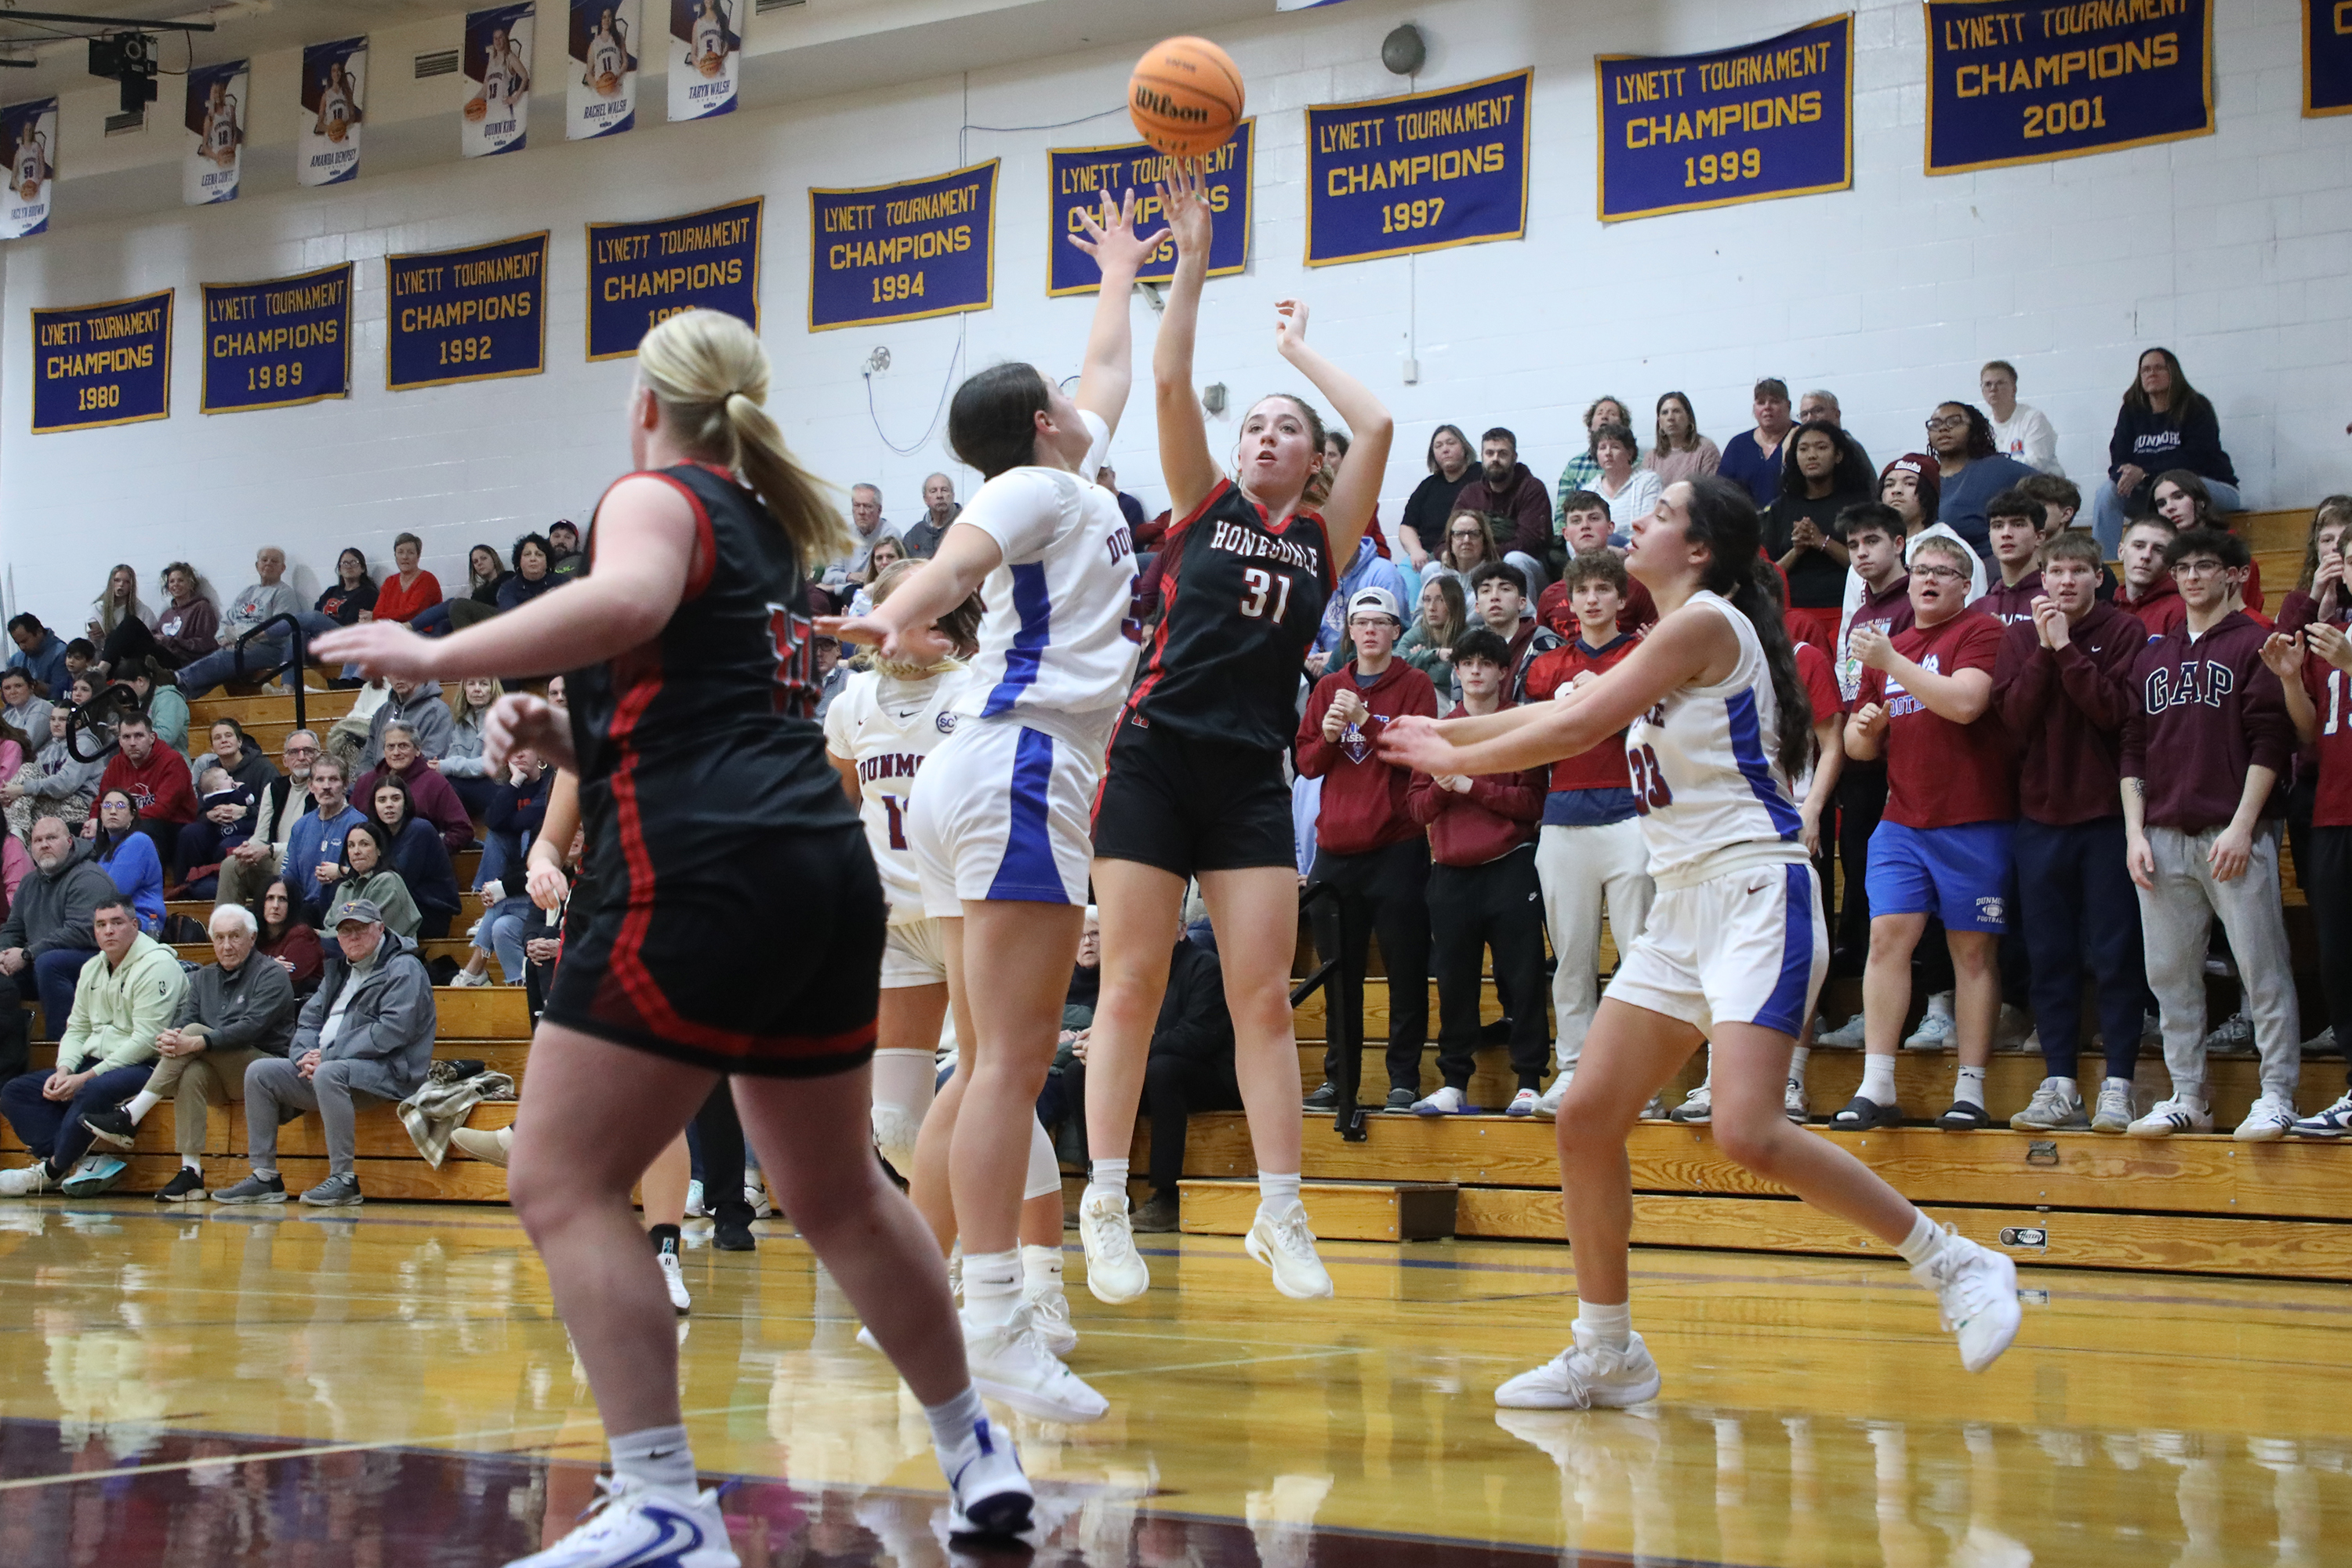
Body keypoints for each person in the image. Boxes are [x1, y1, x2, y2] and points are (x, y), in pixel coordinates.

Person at [319, 303, 1036, 1554]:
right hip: (820, 867)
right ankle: (978, 1452)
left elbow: (628, 600)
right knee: (836, 1193)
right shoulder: (765, 525)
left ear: (646, 403)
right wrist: (573, 736)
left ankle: (659, 1502)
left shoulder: (656, 499)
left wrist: (435, 656)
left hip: (706, 870)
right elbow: (698, 701)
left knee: (558, 1179)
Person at [1381, 475, 2023, 1406]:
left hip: (1757, 890)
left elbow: (1576, 724)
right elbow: (1546, 713)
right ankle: (1607, 1350)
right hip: (1683, 904)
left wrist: (1457, 754)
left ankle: (1954, 1260)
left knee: (1745, 1129)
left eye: (1663, 512)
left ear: (1698, 550)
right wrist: (1445, 728)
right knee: (1586, 1115)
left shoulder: (1707, 622)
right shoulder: (1661, 639)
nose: (1639, 519)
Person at [815, 190, 1152, 1428]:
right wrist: (908, 607)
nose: (1085, 393)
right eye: (1066, 394)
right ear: (1040, 422)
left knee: (974, 1067)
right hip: (1020, 764)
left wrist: (1121, 266)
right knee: (1011, 1061)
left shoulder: (1078, 472)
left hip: (978, 762)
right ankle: (998, 1325)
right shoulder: (1037, 493)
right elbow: (959, 555)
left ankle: (926, 1296)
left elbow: (1109, 357)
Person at [1071, 164, 1385, 1313]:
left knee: (1262, 997)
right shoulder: (1199, 502)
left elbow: (1382, 420)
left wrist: (1300, 353)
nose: (1264, 435)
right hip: (1156, 757)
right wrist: (1192, 260)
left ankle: (1281, 1211)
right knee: (1134, 989)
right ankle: (1104, 1200)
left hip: (1250, 773)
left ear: (1312, 460)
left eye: (1285, 429)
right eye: (1253, 423)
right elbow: (1166, 372)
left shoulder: (1325, 540)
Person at [2120, 527, 2301, 1139]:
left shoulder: (2254, 644)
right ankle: (2188, 1095)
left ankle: (2277, 1093)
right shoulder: (2153, 654)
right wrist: (2134, 833)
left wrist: (2244, 827)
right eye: (2185, 567)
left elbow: (2272, 741)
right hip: (2162, 834)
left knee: (2261, 966)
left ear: (2233, 574)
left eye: (2206, 566)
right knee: (2169, 973)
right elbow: (2133, 752)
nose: (2193, 576)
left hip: (2233, 831)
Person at [1839, 535, 2015, 1131]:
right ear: (1909, 581)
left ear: (1967, 586)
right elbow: (1857, 748)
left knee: (1972, 952)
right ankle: (1877, 1084)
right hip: (1901, 820)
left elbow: (1966, 704)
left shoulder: (1981, 630)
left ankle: (1971, 1089)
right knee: (1886, 938)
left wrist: (1893, 664)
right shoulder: (1891, 649)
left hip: (1974, 819)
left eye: (1946, 571)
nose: (1930, 579)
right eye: (1922, 571)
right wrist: (1866, 726)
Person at [1994, 531, 2150, 1134]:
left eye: (2077, 572)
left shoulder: (2124, 632)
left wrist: (2065, 650)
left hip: (2109, 819)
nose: (2063, 582)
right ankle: (2060, 1082)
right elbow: (2015, 718)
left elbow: (2113, 712)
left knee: (2114, 955)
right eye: (2054, 571)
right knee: (2048, 956)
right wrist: (2043, 648)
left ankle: (2118, 1084)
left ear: (2097, 578)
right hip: (2039, 819)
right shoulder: (2017, 638)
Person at [1521, 551, 1654, 1118]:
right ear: (1568, 603)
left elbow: (1656, 720)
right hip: (1564, 820)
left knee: (1640, 954)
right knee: (1572, 956)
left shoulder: (1646, 656)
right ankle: (1572, 1069)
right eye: (1584, 590)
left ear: (1622, 598)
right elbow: (1535, 737)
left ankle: (1640, 1081)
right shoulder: (1547, 667)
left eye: (1605, 588)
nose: (1595, 598)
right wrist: (1565, 706)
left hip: (1634, 817)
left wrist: (1594, 700)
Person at [1297, 588, 1439, 1113]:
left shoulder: (1417, 684)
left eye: (1381, 622)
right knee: (1339, 977)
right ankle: (1341, 1081)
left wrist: (1365, 721)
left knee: (1405, 972)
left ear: (1397, 631)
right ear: (1350, 631)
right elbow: (1308, 761)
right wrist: (1335, 734)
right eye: (1362, 622)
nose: (1371, 630)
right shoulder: (1329, 686)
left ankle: (1403, 1079)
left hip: (1396, 848)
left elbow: (1417, 752)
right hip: (1334, 851)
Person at [212, 895, 436, 1209]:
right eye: (345, 931)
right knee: (260, 1072)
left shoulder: (404, 968)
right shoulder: (340, 971)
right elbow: (308, 1019)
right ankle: (265, 1177)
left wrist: (329, 1055)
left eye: (361, 928)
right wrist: (303, 1055)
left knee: (330, 1072)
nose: (353, 937)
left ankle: (344, 1179)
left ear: (381, 929)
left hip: (391, 1073)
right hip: (331, 1069)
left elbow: (392, 1031)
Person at [1406, 626, 1547, 1115]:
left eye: (1487, 663)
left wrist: (1469, 785)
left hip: (1510, 866)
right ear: (1457, 670)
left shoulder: (1521, 725)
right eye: (1468, 664)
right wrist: (1447, 787)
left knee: (1524, 976)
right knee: (1454, 980)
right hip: (1449, 874)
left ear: (1504, 671)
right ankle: (1453, 1083)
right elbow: (1418, 810)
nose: (1476, 672)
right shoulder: (1437, 731)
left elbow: (1531, 803)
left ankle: (1529, 1080)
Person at [78, 902, 299, 1202]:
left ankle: (131, 1114)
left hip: (267, 1071)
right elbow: (184, 1022)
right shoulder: (203, 977)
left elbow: (251, 1028)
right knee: (191, 1071)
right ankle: (191, 1172)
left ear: (253, 937)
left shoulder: (272, 974)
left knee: (194, 1035)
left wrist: (192, 1041)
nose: (227, 945)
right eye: (219, 938)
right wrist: (170, 1039)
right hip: (222, 1075)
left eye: (235, 936)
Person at [0, 895, 183, 1196]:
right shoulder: (92, 969)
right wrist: (64, 1069)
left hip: (148, 1064)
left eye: (117, 922)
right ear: (94, 931)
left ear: (135, 925)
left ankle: (51, 1170)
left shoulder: (159, 965)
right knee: (15, 1092)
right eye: (101, 924)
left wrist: (84, 1077)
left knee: (90, 1089)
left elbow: (146, 1039)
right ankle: (84, 1161)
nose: (108, 930)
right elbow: (78, 1028)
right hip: (96, 1063)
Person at [2271, 621, 2352, 1134]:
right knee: (2340, 959)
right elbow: (2310, 734)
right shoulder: (2333, 634)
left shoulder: (2341, 647)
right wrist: (2289, 682)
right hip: (2332, 812)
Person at [2094, 347, 2241, 556]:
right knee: (2107, 492)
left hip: (2210, 489)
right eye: (2145, 370)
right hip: (2154, 494)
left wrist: (2144, 473)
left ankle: (2192, 555)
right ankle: (2104, 566)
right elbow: (2118, 459)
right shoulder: (2131, 411)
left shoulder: (2196, 406)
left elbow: (2195, 459)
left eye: (2158, 368)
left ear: (2173, 372)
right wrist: (2125, 476)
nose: (2151, 373)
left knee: (2179, 489)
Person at [0, 816, 117, 1041]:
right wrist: (3, 953)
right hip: (37, 961)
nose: (44, 844)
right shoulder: (29, 883)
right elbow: (13, 929)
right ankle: (10, 1059)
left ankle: (61, 1046)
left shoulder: (88, 877)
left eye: (51, 838)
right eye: (38, 840)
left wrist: (27, 954)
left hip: (93, 962)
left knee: (50, 963)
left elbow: (82, 931)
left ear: (70, 841)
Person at [1762, 419, 1872, 652]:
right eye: (1803, 449)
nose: (1811, 455)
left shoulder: (1859, 504)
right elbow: (1768, 574)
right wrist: (1798, 549)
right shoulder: (1781, 507)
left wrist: (1823, 542)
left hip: (1846, 610)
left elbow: (1868, 562)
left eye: (1821, 447)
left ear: (1838, 455)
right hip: (1794, 615)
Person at [171, 547, 305, 697]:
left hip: (268, 649)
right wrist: (224, 638)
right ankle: (178, 694)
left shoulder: (284, 593)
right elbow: (226, 621)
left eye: (274, 561)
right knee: (215, 668)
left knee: (222, 658)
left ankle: (176, 678)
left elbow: (280, 629)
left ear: (282, 568)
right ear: (257, 565)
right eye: (264, 560)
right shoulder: (247, 592)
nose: (268, 564)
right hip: (237, 646)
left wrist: (242, 637)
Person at [217, 730, 318, 909]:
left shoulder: (323, 789)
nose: (301, 757)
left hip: (307, 862)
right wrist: (249, 848)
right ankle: (226, 927)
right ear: (285, 760)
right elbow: (261, 835)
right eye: (294, 752)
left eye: (308, 751)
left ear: (318, 756)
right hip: (272, 855)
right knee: (232, 864)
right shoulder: (274, 788)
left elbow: (310, 844)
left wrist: (270, 849)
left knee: (284, 862)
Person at [1925, 402, 2037, 560]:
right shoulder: (1923, 478)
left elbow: (2053, 490)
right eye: (1935, 424)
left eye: (1954, 421)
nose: (1943, 428)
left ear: (1974, 429)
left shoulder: (1997, 468)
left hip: (1987, 568)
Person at [1454, 426, 1554, 596]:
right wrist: (1445, 553)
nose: (1495, 459)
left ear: (1514, 457)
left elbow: (1531, 541)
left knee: (1515, 559)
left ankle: (1525, 620)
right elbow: (1449, 534)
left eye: (1502, 454)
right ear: (1482, 456)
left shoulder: (1531, 488)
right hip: (1476, 563)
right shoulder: (1470, 493)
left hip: (1531, 568)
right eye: (1490, 453)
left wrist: (1482, 553)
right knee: (1434, 568)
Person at [2151, 469, 2264, 615]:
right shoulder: (2157, 555)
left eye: (2179, 497)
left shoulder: (2231, 551)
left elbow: (2249, 611)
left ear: (2201, 501)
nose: (2170, 507)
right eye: (2161, 504)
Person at [366, 773, 460, 939]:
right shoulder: (379, 834)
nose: (389, 805)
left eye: (395, 799)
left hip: (430, 912)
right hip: (401, 907)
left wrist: (344, 871)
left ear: (406, 802)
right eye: (382, 800)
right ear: (374, 806)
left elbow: (398, 880)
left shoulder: (420, 829)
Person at [92, 713, 195, 863]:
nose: (132, 743)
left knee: (146, 828)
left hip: (171, 827)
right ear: (120, 740)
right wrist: (94, 819)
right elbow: (102, 799)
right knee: (88, 830)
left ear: (152, 738)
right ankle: (100, 880)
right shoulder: (116, 763)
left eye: (139, 736)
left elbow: (163, 809)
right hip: (130, 822)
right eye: (127, 737)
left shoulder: (172, 761)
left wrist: (123, 820)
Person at [355, 720, 472, 852]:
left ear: (418, 750)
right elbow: (351, 825)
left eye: (403, 746)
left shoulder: (434, 782)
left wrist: (431, 851)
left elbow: (463, 830)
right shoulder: (366, 782)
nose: (396, 752)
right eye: (390, 746)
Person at [281, 753, 368, 920]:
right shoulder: (301, 826)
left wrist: (341, 873)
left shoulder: (359, 824)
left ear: (345, 785)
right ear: (311, 786)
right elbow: (289, 878)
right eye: (320, 780)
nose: (326, 786)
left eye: (333, 779)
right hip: (305, 910)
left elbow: (369, 877)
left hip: (345, 910)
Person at [1467, 561, 1562, 703]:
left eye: (1505, 589)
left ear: (1522, 602)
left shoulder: (1547, 645)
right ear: (1477, 606)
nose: (1494, 597)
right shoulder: (1467, 647)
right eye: (1486, 591)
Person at [3, 705, 103, 840]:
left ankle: (16, 837)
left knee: (28, 771)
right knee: (24, 805)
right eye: (52, 719)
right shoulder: (51, 746)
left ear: (77, 724)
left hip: (79, 806)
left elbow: (65, 785)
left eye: (62, 720)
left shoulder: (84, 744)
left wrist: (22, 789)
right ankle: (19, 843)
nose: (56, 724)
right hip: (56, 802)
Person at [97, 561, 216, 674]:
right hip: (160, 653)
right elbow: (154, 636)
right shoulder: (168, 613)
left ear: (191, 584)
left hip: (180, 661)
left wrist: (170, 641)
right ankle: (102, 677)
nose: (176, 585)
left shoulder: (201, 607)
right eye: (172, 581)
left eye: (181, 580)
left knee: (130, 621)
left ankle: (101, 672)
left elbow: (205, 644)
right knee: (116, 636)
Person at [310, 818, 421, 938]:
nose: (356, 851)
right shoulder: (344, 888)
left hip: (388, 953)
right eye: (351, 846)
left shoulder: (387, 881)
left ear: (379, 850)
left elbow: (368, 931)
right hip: (346, 949)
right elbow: (330, 925)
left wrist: (321, 935)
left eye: (364, 844)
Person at [86, 788, 167, 935]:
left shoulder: (138, 842)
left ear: (132, 815)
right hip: (104, 920)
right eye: (107, 806)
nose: (113, 811)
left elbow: (114, 893)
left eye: (121, 806)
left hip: (139, 920)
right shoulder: (95, 846)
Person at [1399, 425, 1474, 574]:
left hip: (1469, 552)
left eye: (1451, 443)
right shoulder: (1427, 486)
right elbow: (1407, 526)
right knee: (1406, 567)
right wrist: (1416, 551)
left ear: (1464, 447)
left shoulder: (1480, 477)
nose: (1445, 449)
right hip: (1430, 556)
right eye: (1438, 446)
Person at [1717, 377, 1796, 506]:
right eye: (1761, 402)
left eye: (1774, 402)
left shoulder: (1802, 438)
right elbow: (1722, 490)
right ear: (1754, 408)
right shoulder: (1738, 445)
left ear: (1788, 406)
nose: (1767, 407)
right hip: (1748, 522)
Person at [1973, 490, 2048, 626]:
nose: (2006, 534)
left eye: (2018, 524)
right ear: (1990, 536)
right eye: (1998, 526)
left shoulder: (2054, 599)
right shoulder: (1978, 608)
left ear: (2039, 537)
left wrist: (2012, 639)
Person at [435, 676, 506, 818]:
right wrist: (439, 767)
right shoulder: (461, 721)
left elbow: (487, 765)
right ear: (464, 690)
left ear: (493, 690)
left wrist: (443, 766)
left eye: (484, 684)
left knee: (447, 785)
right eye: (471, 684)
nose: (477, 689)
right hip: (468, 785)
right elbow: (452, 756)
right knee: (439, 783)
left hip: (497, 786)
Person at [1980, 360, 2061, 475]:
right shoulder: (1984, 427)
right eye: (1988, 384)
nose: (1993, 388)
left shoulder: (2033, 418)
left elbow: (2036, 463)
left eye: (2000, 383)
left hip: (2041, 487)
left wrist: (1997, 468)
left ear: (2014, 389)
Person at [1553, 396, 1632, 509]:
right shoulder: (1575, 466)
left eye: (1612, 414)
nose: (1604, 417)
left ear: (1623, 425)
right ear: (1590, 425)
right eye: (1600, 413)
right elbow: (1562, 513)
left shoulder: (1635, 462)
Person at [363, 679, 457, 771]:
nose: (399, 677)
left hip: (416, 781)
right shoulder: (382, 712)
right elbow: (367, 758)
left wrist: (391, 783)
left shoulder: (438, 712)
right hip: (378, 782)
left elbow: (432, 760)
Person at [255, 877, 325, 994]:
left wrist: (261, 967)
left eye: (282, 899)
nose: (275, 906)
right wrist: (270, 966)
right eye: (270, 898)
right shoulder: (253, 934)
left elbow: (284, 981)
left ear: (291, 904)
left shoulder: (302, 935)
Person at [1589, 422, 1661, 534]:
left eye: (1615, 447)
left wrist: (1622, 551)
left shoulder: (1648, 482)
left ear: (1629, 453)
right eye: (1602, 448)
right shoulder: (1589, 491)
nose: (1608, 453)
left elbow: (1650, 528)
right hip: (1599, 551)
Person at [1399, 574, 1466, 681]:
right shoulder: (1416, 635)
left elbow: (1445, 676)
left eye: (1441, 600)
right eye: (1427, 600)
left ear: (1455, 603)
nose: (1431, 607)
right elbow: (1396, 664)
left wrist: (1416, 661)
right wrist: (1436, 654)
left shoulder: (1469, 637)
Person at [1646, 391, 1720, 488]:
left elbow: (1712, 492)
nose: (1670, 418)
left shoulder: (1705, 450)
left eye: (1676, 411)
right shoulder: (1652, 458)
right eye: (1665, 413)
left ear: (1689, 417)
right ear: (1659, 422)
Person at [829, 482, 897, 585]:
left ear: (879, 510)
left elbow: (886, 578)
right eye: (857, 505)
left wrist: (837, 588)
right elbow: (829, 575)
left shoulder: (890, 534)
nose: (861, 512)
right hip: (845, 592)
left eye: (867, 506)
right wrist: (850, 576)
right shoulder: (845, 535)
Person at [1426, 508, 1501, 600]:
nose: (1466, 540)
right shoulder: (1437, 578)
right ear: (1450, 542)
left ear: (1484, 541)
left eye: (1474, 534)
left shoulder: (1499, 579)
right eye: (1459, 534)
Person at [87, 564, 157, 659]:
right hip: (102, 654)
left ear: (132, 586)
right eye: (117, 580)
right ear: (111, 583)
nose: (121, 585)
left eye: (127, 582)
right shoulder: (97, 608)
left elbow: (148, 640)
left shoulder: (143, 611)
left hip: (131, 658)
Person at [373, 532, 445, 624]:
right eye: (400, 552)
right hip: (393, 631)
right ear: (395, 555)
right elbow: (377, 613)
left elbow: (412, 613)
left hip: (422, 633)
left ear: (418, 556)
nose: (405, 557)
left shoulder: (427, 579)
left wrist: (381, 617)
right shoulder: (389, 582)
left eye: (410, 553)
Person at [6, 612, 70, 698]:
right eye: (18, 643)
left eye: (24, 641)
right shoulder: (14, 660)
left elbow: (61, 693)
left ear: (39, 632)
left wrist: (36, 686)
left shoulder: (61, 653)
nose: (22, 647)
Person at [900, 473, 961, 559]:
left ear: (953, 495)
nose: (939, 496)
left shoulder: (966, 526)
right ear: (925, 499)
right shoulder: (914, 536)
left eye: (944, 490)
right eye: (933, 491)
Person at [497, 535, 558, 613]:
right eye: (527, 554)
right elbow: (512, 618)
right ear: (519, 561)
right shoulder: (508, 589)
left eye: (539, 554)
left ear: (547, 561)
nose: (533, 559)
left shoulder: (563, 583)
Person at [0, 668, 52, 751]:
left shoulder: (43, 708)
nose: (13, 692)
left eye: (18, 686)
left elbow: (27, 746)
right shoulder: (8, 715)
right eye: (7, 688)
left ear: (31, 686)